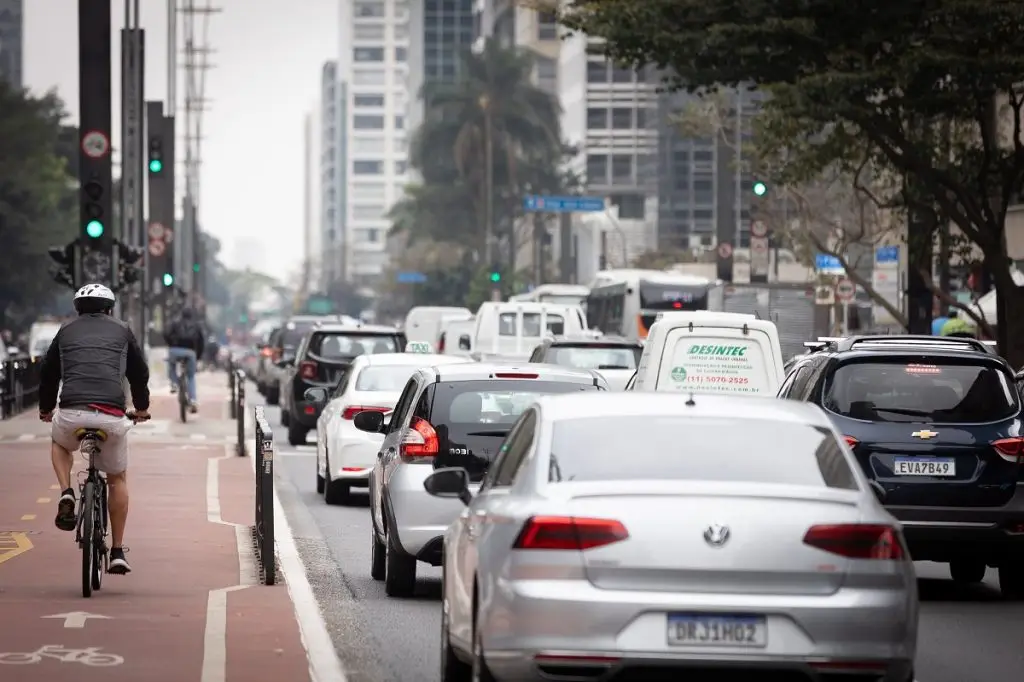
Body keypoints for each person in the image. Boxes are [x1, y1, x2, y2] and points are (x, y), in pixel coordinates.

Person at [37, 283, 150, 575]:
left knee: (60, 444)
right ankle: (116, 551)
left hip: (72, 412)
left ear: (77, 309)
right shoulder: (123, 329)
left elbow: (48, 373)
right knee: (117, 478)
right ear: (110, 309)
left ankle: (65, 492)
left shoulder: (65, 330)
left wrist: (46, 409)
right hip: (111, 415)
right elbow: (139, 373)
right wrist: (141, 407)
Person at [164, 307, 205, 411]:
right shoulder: (197, 326)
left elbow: (166, 334)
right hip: (190, 352)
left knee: (171, 365)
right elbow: (201, 342)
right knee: (191, 376)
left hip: (175, 350)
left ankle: (174, 383)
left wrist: (171, 345)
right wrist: (198, 357)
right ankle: (193, 400)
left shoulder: (174, 323)